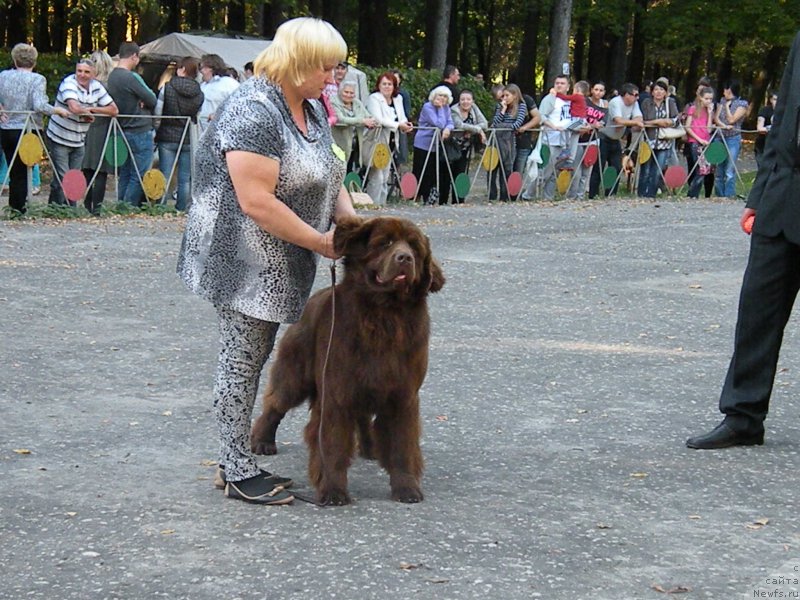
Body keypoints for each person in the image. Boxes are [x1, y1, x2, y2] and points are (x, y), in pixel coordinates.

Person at [177, 17, 356, 504]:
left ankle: (236, 459)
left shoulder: (310, 108)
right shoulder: (253, 109)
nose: (333, 77)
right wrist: (321, 242)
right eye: (327, 67)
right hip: (242, 258)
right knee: (242, 360)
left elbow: (329, 170)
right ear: (298, 62)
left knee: (254, 356)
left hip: (285, 254)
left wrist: (352, 223)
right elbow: (255, 200)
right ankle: (235, 469)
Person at [686, 31, 800, 450]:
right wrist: (759, 195)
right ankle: (743, 416)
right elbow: (785, 117)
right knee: (757, 312)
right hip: (783, 197)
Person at [0, 43, 69, 214]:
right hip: (28, 129)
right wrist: (57, 110)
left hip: (6, 128)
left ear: (15, 59)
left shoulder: (3, 76)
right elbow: (39, 105)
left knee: (12, 168)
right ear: (34, 61)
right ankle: (19, 208)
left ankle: (15, 207)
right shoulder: (37, 80)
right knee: (23, 171)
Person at [45, 57, 118, 206]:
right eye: (79, 71)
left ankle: (55, 207)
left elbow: (114, 110)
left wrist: (93, 110)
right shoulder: (68, 83)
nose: (82, 75)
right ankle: (66, 210)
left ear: (93, 73)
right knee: (63, 176)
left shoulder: (97, 87)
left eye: (86, 72)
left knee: (73, 177)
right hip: (59, 137)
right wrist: (87, 113)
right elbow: (74, 107)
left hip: (79, 139)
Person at [106, 41, 157, 207]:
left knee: (126, 172)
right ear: (134, 56)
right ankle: (128, 206)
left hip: (121, 128)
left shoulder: (112, 76)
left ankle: (121, 203)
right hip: (139, 129)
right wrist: (142, 99)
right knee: (139, 172)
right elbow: (152, 99)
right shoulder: (132, 77)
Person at [155, 56, 203, 211]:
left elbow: (158, 112)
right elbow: (197, 115)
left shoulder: (167, 88)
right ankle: (182, 208)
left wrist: (156, 129)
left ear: (182, 69)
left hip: (167, 135)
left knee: (165, 174)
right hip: (188, 137)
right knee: (185, 178)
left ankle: (160, 206)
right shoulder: (199, 92)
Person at [362, 72, 412, 205]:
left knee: (385, 176)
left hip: (391, 140)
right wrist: (398, 125)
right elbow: (379, 119)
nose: (387, 87)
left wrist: (405, 124)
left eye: (390, 84)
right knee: (377, 175)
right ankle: (374, 205)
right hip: (377, 140)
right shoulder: (374, 98)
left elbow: (402, 116)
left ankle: (382, 204)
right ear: (378, 85)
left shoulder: (398, 99)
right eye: (384, 84)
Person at [81, 50, 116, 215]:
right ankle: (97, 208)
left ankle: (88, 207)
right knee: (100, 171)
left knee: (88, 169)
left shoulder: (91, 86)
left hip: (91, 128)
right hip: (104, 129)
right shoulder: (110, 86)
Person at [412, 85, 454, 205]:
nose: (442, 98)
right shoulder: (428, 107)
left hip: (436, 145)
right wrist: (440, 109)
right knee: (420, 171)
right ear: (434, 96)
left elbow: (450, 122)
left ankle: (428, 198)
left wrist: (448, 129)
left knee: (431, 172)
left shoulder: (447, 108)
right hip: (423, 143)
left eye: (445, 96)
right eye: (439, 95)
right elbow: (438, 124)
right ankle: (415, 197)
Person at [639, 79, 679, 198]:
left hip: (664, 141)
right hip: (648, 140)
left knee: (657, 171)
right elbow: (642, 120)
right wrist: (657, 122)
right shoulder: (646, 103)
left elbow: (676, 119)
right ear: (652, 92)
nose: (658, 92)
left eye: (661, 89)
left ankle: (651, 194)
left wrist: (668, 122)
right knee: (645, 170)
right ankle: (641, 194)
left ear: (666, 92)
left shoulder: (670, 103)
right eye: (656, 89)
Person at [538, 74, 574, 200]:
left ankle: (548, 196)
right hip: (550, 139)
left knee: (555, 171)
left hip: (564, 141)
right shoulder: (550, 99)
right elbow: (541, 116)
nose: (559, 85)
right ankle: (530, 194)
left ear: (568, 86)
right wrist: (552, 126)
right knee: (546, 171)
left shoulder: (570, 100)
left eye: (562, 83)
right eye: (557, 83)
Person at [604, 83, 644, 196]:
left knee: (616, 167)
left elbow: (639, 117)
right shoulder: (615, 102)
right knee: (599, 167)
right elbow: (619, 120)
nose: (637, 97)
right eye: (635, 95)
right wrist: (635, 122)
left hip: (616, 139)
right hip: (604, 137)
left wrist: (635, 121)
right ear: (626, 94)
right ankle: (593, 194)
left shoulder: (634, 103)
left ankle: (611, 194)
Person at [449, 88, 488, 203]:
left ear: (472, 101)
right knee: (450, 173)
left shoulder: (474, 109)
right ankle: (446, 200)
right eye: (463, 99)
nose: (465, 102)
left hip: (466, 147)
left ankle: (460, 199)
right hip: (452, 146)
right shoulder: (454, 110)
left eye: (468, 99)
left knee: (462, 173)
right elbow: (459, 124)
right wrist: (478, 130)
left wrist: (475, 130)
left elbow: (484, 123)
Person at [489, 83, 526, 201]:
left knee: (507, 168)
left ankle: (505, 196)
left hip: (509, 141)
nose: (504, 98)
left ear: (514, 95)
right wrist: (503, 110)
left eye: (507, 95)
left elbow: (516, 124)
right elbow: (494, 123)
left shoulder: (521, 106)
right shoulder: (500, 106)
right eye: (503, 96)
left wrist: (504, 126)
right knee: (493, 167)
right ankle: (492, 195)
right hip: (497, 140)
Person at [330, 81, 376, 172]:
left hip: (356, 144)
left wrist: (372, 121)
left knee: (351, 170)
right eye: (346, 92)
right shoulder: (333, 101)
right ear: (340, 91)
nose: (349, 95)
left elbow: (368, 116)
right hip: (339, 145)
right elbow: (341, 119)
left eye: (351, 93)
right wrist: (361, 121)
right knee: (338, 170)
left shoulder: (357, 103)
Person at [714, 80, 749, 198]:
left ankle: (729, 195)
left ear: (730, 90)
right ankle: (719, 194)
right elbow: (717, 118)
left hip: (733, 138)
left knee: (729, 168)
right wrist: (723, 126)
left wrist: (728, 108)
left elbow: (732, 120)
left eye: (726, 89)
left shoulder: (742, 104)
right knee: (719, 168)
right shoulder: (722, 101)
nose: (724, 92)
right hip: (720, 137)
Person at [684, 86, 716, 198]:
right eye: (706, 98)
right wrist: (699, 139)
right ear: (701, 98)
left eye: (710, 99)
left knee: (706, 170)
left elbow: (709, 129)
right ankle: (692, 194)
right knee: (701, 169)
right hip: (695, 142)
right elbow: (688, 127)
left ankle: (694, 194)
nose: (708, 101)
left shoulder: (708, 111)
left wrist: (710, 113)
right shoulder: (693, 109)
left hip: (705, 142)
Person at [197, 54, 239, 133]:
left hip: (223, 131)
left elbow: (239, 106)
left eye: (204, 68)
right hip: (202, 132)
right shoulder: (202, 86)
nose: (201, 71)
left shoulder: (230, 84)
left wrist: (219, 115)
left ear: (212, 69)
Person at [586, 81, 609, 199]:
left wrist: (600, 124)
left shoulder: (605, 104)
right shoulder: (586, 101)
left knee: (591, 164)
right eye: (596, 89)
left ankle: (590, 191)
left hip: (596, 137)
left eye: (601, 90)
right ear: (591, 90)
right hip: (584, 135)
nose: (598, 92)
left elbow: (605, 119)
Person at [391, 69, 412, 165]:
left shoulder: (403, 94)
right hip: (388, 126)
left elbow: (407, 112)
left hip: (400, 126)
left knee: (400, 153)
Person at [754, 91, 777, 167]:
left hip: (777, 145)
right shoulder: (765, 110)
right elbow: (759, 128)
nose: (776, 102)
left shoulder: (785, 112)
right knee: (762, 168)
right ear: (771, 100)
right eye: (775, 99)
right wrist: (770, 128)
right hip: (762, 145)